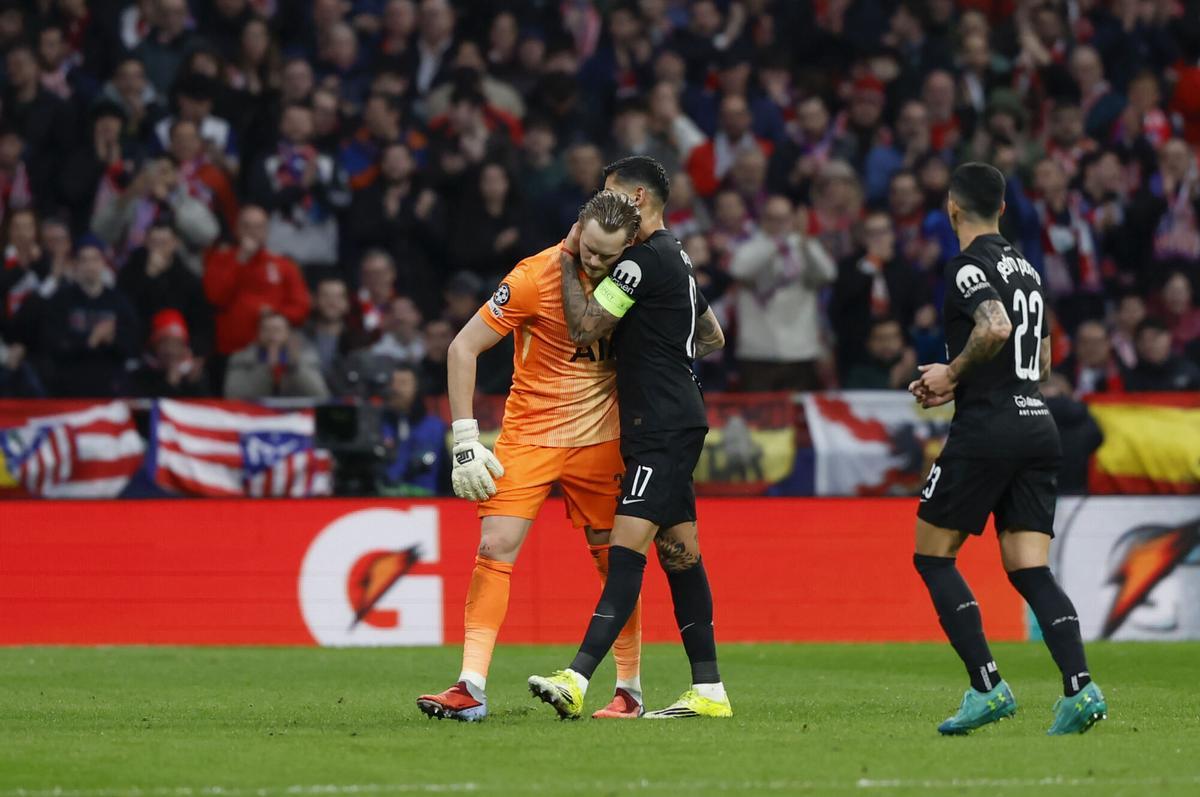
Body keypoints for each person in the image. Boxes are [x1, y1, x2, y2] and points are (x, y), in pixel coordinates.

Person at [416, 191, 646, 722]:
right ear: (577, 228)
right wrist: (467, 438)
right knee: (494, 545)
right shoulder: (531, 277)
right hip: (529, 434)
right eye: (588, 248)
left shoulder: (642, 280)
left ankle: (629, 690)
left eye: (607, 255)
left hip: (602, 440)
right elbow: (461, 348)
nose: (594, 260)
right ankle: (470, 686)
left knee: (617, 562)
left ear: (629, 246)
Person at [528, 156, 731, 720]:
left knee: (624, 553)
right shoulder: (680, 256)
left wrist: (570, 255)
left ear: (638, 199)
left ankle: (576, 677)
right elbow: (711, 334)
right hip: (675, 416)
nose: (603, 201)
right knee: (680, 554)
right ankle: (709, 691)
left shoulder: (640, 262)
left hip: (659, 426)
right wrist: (660, 350)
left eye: (611, 193)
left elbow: (584, 325)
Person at [909, 162, 1106, 736]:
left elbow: (992, 327)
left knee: (933, 556)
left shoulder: (967, 266)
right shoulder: (1029, 270)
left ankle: (987, 686)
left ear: (952, 208)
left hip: (988, 427)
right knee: (1030, 568)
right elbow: (1042, 360)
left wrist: (952, 373)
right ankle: (1080, 688)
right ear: (1001, 208)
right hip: (1036, 422)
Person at [728, 195, 836, 391]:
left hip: (800, 351)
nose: (779, 224)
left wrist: (805, 243)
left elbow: (828, 274)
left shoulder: (805, 246)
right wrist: (777, 243)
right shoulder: (750, 247)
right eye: (772, 218)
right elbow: (739, 270)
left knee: (796, 418)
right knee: (760, 419)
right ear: (763, 220)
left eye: (784, 218)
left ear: (793, 219)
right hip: (758, 352)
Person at [224, 312, 329, 399]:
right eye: (266, 330)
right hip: (255, 416)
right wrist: (266, 370)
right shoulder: (241, 358)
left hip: (295, 416)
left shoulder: (307, 357)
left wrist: (295, 367)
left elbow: (320, 395)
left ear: (288, 333)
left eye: (277, 330)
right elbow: (233, 396)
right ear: (258, 334)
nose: (272, 335)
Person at [377, 364, 448, 496]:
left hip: (422, 499)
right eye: (393, 383)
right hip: (379, 496)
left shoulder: (433, 427)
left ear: (417, 388)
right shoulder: (379, 423)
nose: (395, 389)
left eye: (403, 383)